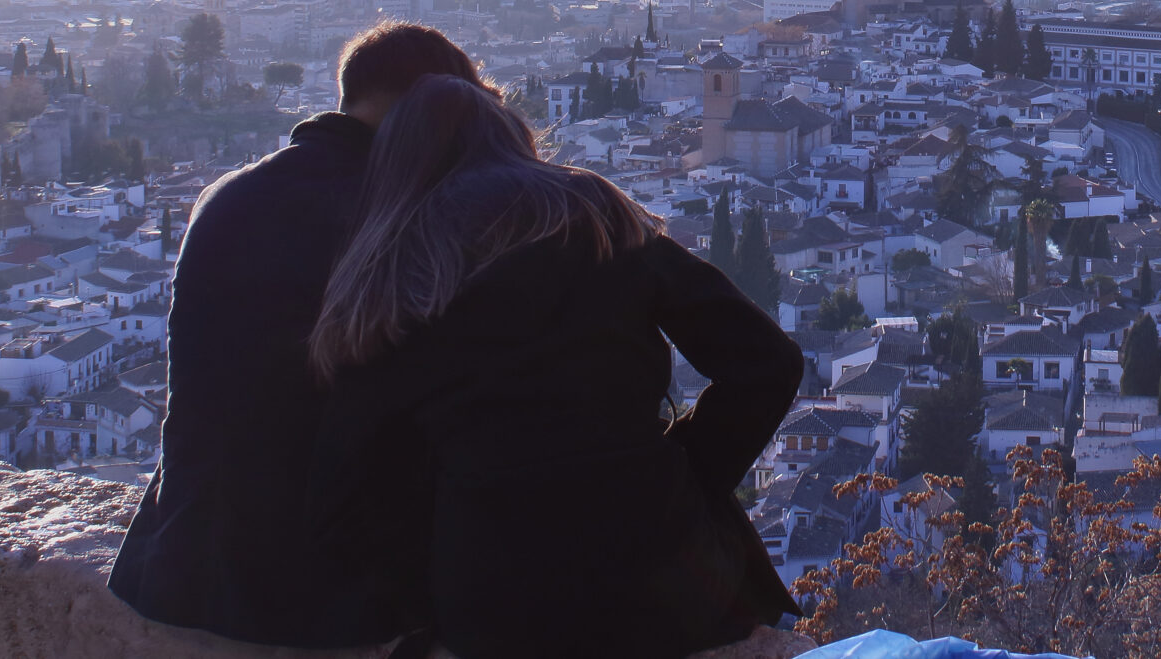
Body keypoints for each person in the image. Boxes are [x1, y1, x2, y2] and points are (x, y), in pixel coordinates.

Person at [308, 73, 805, 659]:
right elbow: (767, 362)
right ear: (509, 138)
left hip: (493, 604)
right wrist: (682, 472)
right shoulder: (594, 215)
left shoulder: (387, 267)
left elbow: (353, 471)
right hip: (664, 583)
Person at [110, 21, 479, 646]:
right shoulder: (404, 213)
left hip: (185, 563)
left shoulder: (226, 195)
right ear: (432, 107)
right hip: (330, 593)